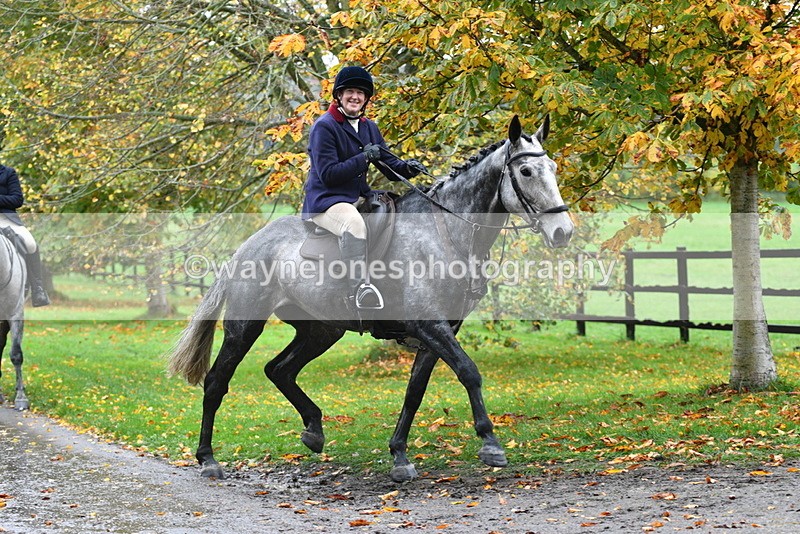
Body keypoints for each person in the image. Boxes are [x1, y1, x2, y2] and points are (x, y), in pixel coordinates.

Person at [301, 65, 427, 311]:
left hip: (357, 197)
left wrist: (407, 168)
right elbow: (328, 175)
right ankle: (360, 290)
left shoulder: (369, 127)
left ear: (366, 98)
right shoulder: (324, 126)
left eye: (360, 93)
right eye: (349, 91)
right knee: (354, 224)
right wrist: (363, 158)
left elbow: (387, 164)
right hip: (327, 201)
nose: (355, 97)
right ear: (339, 95)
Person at [0, 164, 51, 307]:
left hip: (5, 219)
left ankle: (38, 289)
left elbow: (17, 199)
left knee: (30, 243)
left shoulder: (8, 173)